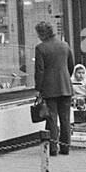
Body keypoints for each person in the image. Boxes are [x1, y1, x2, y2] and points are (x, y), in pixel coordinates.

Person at [33, 21, 75, 156]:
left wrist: (38, 88)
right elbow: (71, 66)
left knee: (52, 119)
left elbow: (39, 70)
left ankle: (52, 148)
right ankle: (65, 148)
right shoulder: (65, 45)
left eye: (38, 34)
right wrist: (65, 78)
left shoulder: (40, 48)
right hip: (66, 87)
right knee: (65, 119)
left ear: (42, 34)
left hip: (49, 88)